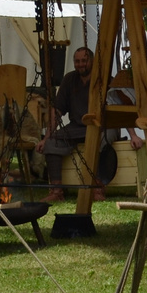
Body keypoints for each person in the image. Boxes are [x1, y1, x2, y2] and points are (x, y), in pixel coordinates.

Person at [40, 46, 94, 202]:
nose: (80, 64)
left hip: (97, 126)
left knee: (101, 143)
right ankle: (57, 191)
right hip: (76, 127)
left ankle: (97, 189)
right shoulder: (69, 79)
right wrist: (46, 138)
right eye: (77, 61)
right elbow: (57, 110)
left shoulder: (100, 79)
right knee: (51, 143)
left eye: (84, 61)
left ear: (91, 61)